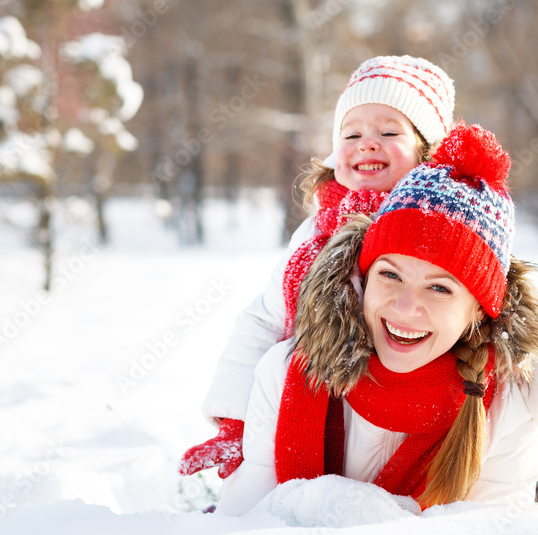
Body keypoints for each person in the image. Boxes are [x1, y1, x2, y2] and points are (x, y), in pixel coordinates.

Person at [214, 123, 538, 514]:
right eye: (390, 275)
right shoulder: (284, 376)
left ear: (480, 309)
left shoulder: (505, 407)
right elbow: (248, 518)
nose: (404, 308)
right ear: (363, 277)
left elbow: (489, 523)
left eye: (439, 288)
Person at [179, 54, 456, 479]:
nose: (367, 143)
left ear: (426, 150)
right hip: (313, 412)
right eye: (351, 133)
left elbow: (496, 322)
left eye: (388, 131)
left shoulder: (445, 226)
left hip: (411, 417)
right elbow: (262, 322)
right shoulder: (315, 233)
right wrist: (237, 422)